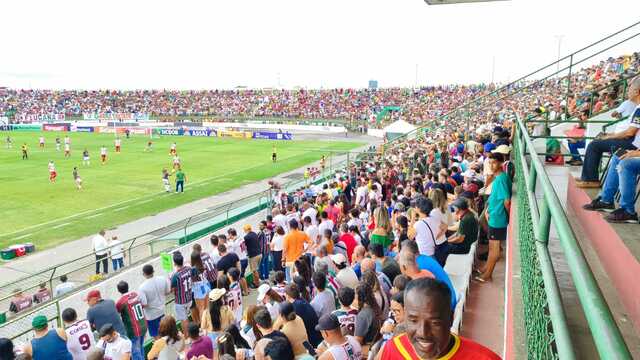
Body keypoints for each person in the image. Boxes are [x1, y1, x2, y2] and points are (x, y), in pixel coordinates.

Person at [379, 278, 500, 360]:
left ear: (450, 319)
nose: (423, 333)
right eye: (414, 320)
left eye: (434, 322)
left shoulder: (483, 358)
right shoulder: (392, 350)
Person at [576, 77, 640, 188]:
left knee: (594, 145)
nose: (627, 90)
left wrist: (610, 137)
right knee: (600, 142)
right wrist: (610, 135)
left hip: (633, 145)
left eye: (630, 87)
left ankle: (591, 180)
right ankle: (588, 179)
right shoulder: (637, 107)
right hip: (631, 142)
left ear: (637, 91)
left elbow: (630, 133)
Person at [476, 152, 511, 282]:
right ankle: (486, 268)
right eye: (489, 162)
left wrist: (507, 215)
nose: (491, 165)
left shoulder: (501, 179)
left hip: (498, 218)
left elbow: (506, 201)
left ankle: (488, 274)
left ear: (501, 163)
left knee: (494, 248)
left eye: (494, 162)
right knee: (491, 246)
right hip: (494, 216)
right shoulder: (498, 178)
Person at [115, 281, 147, 360]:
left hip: (134, 330)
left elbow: (117, 313)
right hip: (143, 325)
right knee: (141, 347)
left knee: (135, 352)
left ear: (118, 290)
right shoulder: (135, 294)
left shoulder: (121, 302)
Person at [138, 264, 170, 339]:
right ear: (153, 271)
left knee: (156, 335)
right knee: (165, 332)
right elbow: (167, 292)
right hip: (162, 310)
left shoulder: (142, 287)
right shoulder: (162, 279)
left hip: (151, 315)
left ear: (144, 274)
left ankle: (162, 350)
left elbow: (144, 304)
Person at [353, 283, 381, 358]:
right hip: (374, 343)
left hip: (366, 348)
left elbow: (357, 341)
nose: (354, 300)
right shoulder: (375, 306)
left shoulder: (363, 315)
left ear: (360, 298)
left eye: (355, 297)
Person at [169, 251, 194, 332]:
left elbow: (171, 290)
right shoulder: (189, 269)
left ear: (175, 263)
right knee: (187, 317)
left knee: (184, 320)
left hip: (180, 301)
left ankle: (187, 337)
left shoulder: (175, 276)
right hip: (189, 298)